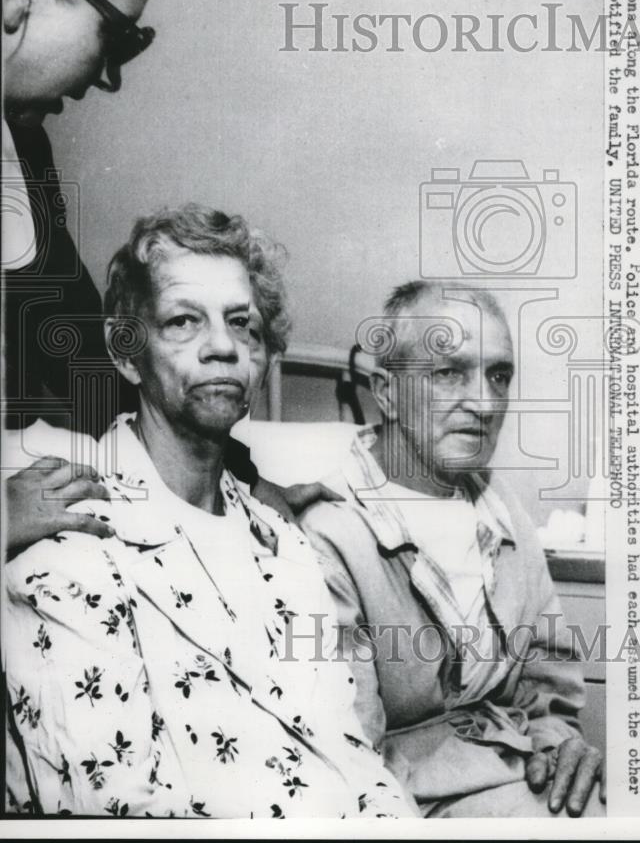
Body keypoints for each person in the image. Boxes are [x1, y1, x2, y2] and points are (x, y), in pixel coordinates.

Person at [4, 205, 414, 818]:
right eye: (183, 322)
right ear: (125, 353)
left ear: (264, 355)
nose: (222, 346)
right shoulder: (69, 549)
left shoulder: (286, 547)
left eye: (242, 324)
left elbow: (353, 754)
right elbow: (111, 812)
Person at [1, 0, 327, 558]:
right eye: (113, 35)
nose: (107, 76)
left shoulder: (22, 147)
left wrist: (236, 482)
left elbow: (83, 373)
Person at [300, 282, 606, 818]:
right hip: (407, 803)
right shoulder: (331, 534)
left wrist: (559, 745)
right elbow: (348, 758)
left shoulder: (502, 511)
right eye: (448, 373)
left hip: (523, 777)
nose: (485, 403)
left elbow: (547, 687)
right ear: (386, 392)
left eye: (498, 375)